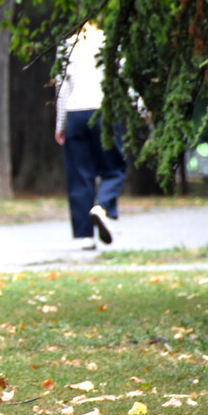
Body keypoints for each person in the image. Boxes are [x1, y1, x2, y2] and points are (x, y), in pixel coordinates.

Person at [55, 22, 126, 250]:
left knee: (79, 175)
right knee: (114, 167)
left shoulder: (67, 45)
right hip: (103, 111)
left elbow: (62, 87)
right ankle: (102, 207)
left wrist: (60, 124)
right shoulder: (110, 43)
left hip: (74, 113)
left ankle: (84, 236)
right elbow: (123, 79)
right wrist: (141, 108)